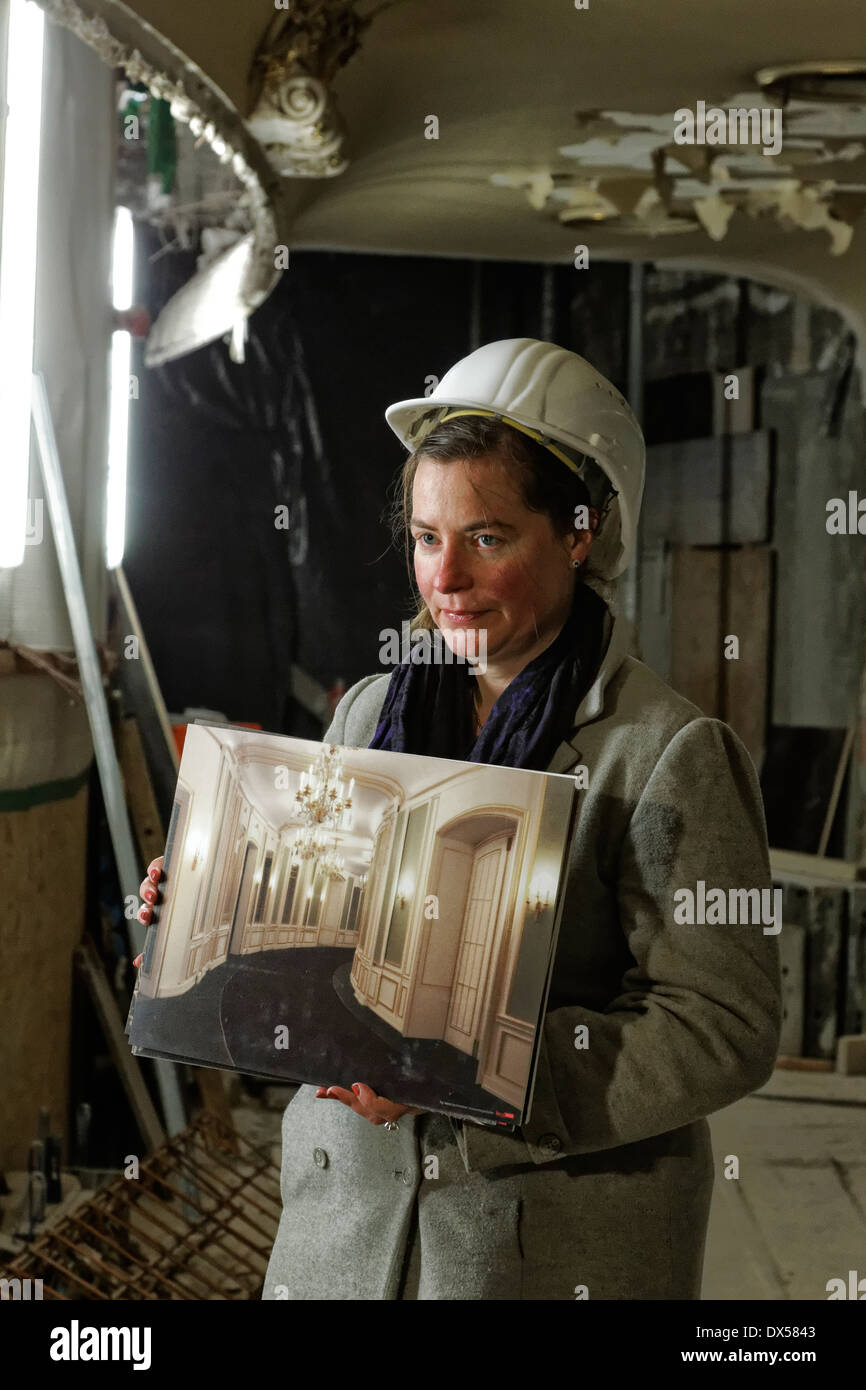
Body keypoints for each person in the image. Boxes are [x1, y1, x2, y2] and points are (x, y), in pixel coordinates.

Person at [137, 337, 781, 1300]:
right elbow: (323, 931)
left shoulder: (666, 754)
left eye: (487, 538)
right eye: (428, 537)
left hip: (535, 1252)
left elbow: (722, 1024)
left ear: (579, 532)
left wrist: (475, 1077)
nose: (444, 579)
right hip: (343, 1241)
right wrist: (201, 899)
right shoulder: (369, 716)